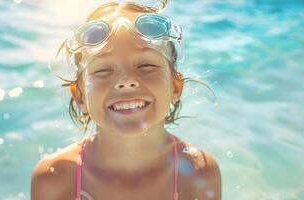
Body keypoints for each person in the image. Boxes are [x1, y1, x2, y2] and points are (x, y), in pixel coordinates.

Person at [31, 1, 222, 199]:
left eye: (146, 65)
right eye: (103, 70)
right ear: (80, 96)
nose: (126, 81)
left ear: (174, 87)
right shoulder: (55, 179)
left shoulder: (200, 173)